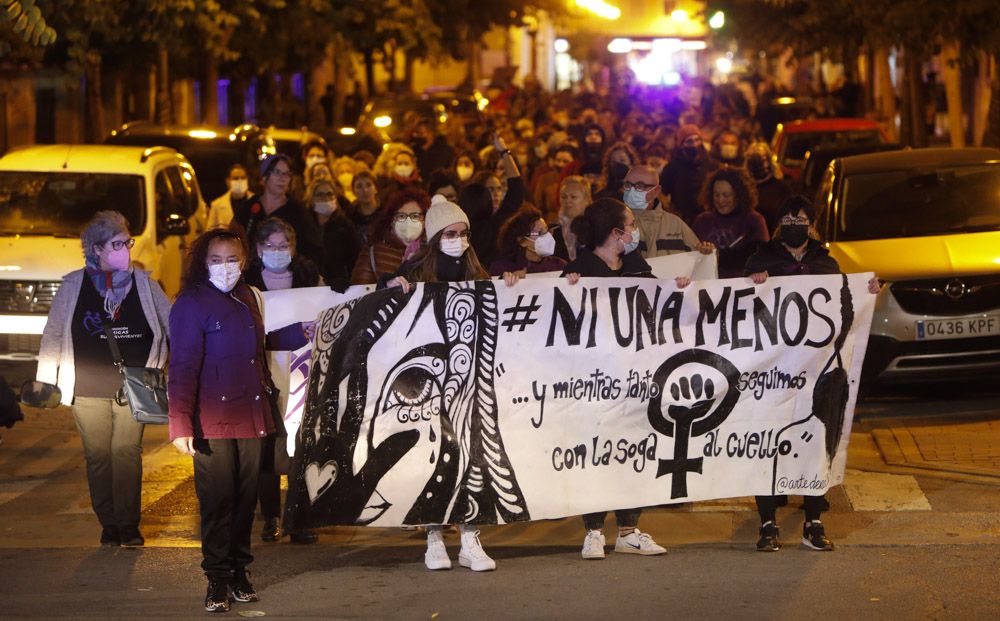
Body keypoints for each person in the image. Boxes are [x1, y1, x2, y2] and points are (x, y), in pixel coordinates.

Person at [168, 227, 312, 613]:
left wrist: (301, 333)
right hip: (211, 420)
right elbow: (182, 367)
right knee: (217, 502)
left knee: (247, 501)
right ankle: (217, 577)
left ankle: (239, 571)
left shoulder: (248, 296)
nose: (225, 267)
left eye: (232, 259)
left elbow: (257, 346)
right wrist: (180, 423)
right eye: (216, 260)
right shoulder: (191, 304)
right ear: (203, 262)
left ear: (245, 261)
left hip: (251, 416)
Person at [745, 195, 881, 553]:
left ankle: (814, 521)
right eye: (788, 217)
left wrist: (867, 292)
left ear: (812, 225)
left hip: (817, 370)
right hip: (774, 370)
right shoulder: (761, 260)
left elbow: (845, 305)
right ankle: (768, 522)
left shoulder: (826, 263)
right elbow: (740, 306)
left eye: (801, 218)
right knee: (769, 441)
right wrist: (753, 283)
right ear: (778, 225)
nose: (795, 223)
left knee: (817, 439)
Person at [36, 210, 171, 547]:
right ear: (96, 249)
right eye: (117, 243)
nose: (125, 249)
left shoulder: (146, 284)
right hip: (87, 385)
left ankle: (127, 525)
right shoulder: (72, 285)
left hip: (135, 386)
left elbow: (171, 326)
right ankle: (108, 521)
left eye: (127, 241)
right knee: (98, 455)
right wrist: (44, 380)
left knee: (126, 451)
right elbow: (53, 334)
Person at [561, 198, 685, 560]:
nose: (635, 231)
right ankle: (594, 531)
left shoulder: (635, 265)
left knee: (635, 451)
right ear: (616, 233)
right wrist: (567, 290)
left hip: (635, 382)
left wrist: (678, 289)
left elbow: (659, 309)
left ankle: (629, 530)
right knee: (597, 453)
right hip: (593, 383)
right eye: (630, 225)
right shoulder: (579, 269)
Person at [382, 194, 496, 572]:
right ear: (434, 238)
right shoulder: (415, 274)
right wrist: (391, 284)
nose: (458, 240)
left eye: (463, 233)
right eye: (450, 233)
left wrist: (513, 282)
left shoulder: (478, 274)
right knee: (431, 458)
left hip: (469, 382)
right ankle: (433, 536)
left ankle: (469, 536)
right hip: (427, 386)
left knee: (470, 455)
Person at [242, 218, 321, 545]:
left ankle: (301, 516)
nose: (278, 252)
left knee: (304, 440)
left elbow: (326, 312)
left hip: (304, 365)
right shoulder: (247, 284)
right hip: (265, 368)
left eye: (284, 245)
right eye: (271, 246)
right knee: (269, 443)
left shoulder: (308, 277)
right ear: (259, 249)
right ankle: (271, 515)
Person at [232, 154, 324, 268]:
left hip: (289, 275)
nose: (283, 178)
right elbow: (233, 241)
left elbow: (313, 249)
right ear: (264, 177)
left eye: (287, 174)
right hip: (252, 275)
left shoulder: (298, 211)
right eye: (277, 172)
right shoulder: (248, 207)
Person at [692, 167, 769, 278]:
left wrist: (716, 255)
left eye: (726, 195)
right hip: (706, 284)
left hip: (739, 287)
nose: (720, 200)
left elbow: (760, 258)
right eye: (716, 195)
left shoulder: (754, 220)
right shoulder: (702, 220)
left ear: (739, 195)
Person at [460, 135, 525, 267]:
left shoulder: (502, 219)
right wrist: (504, 152)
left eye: (499, 189)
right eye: (491, 189)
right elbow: (516, 187)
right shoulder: (474, 225)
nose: (496, 194)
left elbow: (516, 188)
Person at [621, 165, 711, 259]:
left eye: (640, 186)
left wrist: (705, 251)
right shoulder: (614, 222)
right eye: (628, 185)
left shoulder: (675, 225)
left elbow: (699, 259)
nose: (632, 191)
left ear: (656, 191)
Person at [351, 187, 429, 285]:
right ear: (392, 220)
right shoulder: (373, 252)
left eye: (415, 216)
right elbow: (360, 292)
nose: (408, 222)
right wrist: (385, 285)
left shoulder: (432, 250)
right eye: (401, 216)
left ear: (425, 220)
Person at [660, 124, 719, 225]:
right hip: (683, 220)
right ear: (681, 144)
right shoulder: (673, 167)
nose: (695, 144)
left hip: (709, 218)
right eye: (689, 141)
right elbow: (662, 193)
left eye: (697, 140)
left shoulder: (712, 165)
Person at [305, 178, 359, 290]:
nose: (325, 198)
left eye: (329, 194)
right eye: (319, 194)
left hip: (338, 286)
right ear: (312, 198)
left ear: (336, 198)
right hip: (309, 286)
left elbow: (354, 258)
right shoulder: (305, 224)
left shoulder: (345, 225)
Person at [488, 204, 568, 276]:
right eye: (540, 232)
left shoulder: (560, 266)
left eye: (547, 230)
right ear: (522, 241)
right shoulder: (501, 269)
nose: (547, 236)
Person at [744, 142, 793, 234]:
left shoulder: (782, 189)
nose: (758, 164)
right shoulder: (743, 189)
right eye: (754, 160)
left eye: (761, 159)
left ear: (769, 161)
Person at [553, 175, 591, 261]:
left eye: (573, 197)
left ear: (587, 200)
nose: (567, 201)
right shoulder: (553, 228)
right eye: (563, 197)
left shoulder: (595, 226)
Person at [207, 164, 252, 229]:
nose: (240, 181)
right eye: (235, 178)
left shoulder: (257, 201)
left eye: (243, 178)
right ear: (228, 181)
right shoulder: (216, 205)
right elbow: (210, 232)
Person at [348, 171, 382, 244]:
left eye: (368, 185)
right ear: (354, 192)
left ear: (376, 189)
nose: (365, 190)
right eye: (359, 187)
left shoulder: (386, 212)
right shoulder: (350, 216)